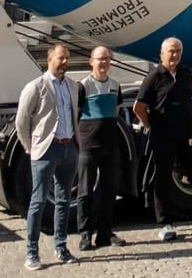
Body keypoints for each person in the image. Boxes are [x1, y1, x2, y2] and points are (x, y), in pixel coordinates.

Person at [132, 37, 192, 241]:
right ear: (162, 54)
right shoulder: (154, 76)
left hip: (187, 136)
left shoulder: (185, 73)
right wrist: (151, 125)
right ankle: (166, 224)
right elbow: (138, 107)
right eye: (171, 51)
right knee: (163, 180)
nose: (175, 55)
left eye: (178, 51)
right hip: (163, 138)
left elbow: (188, 100)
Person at [15, 42, 82, 271]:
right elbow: (21, 122)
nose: (65, 62)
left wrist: (74, 144)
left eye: (67, 58)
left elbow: (74, 114)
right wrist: (31, 148)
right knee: (39, 201)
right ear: (49, 58)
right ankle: (32, 253)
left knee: (63, 201)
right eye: (61, 58)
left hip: (68, 148)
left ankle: (61, 247)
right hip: (46, 150)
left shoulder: (73, 86)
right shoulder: (36, 86)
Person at [75, 45, 128, 251]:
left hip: (110, 145)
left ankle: (105, 233)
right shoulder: (83, 86)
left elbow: (115, 111)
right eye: (100, 59)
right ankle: (85, 234)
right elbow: (76, 114)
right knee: (85, 191)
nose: (104, 62)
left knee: (109, 190)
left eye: (107, 59)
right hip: (88, 146)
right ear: (91, 61)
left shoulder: (115, 85)